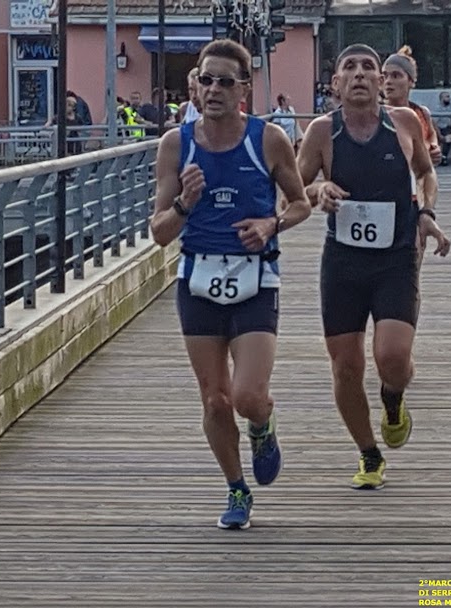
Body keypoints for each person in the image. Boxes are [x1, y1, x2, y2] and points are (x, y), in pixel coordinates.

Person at [151, 39, 312, 529]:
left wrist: (271, 225)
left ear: (244, 89)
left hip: (255, 276)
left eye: (225, 81)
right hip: (198, 277)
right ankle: (236, 488)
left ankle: (263, 424)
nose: (214, 89)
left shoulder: (268, 140)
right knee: (216, 399)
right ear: (194, 86)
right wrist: (185, 203)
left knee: (246, 396)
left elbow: (301, 203)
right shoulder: (176, 144)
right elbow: (158, 232)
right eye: (206, 79)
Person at [296, 43, 451, 491]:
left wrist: (427, 213)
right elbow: (293, 189)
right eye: (351, 67)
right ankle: (368, 453)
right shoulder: (322, 133)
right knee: (346, 366)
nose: (361, 74)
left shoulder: (402, 123)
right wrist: (318, 192)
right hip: (343, 262)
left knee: (393, 359)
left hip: (395, 257)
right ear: (336, 83)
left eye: (370, 67)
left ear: (381, 81)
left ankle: (393, 398)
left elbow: (426, 173)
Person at [381, 46, 442, 165]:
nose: (388, 81)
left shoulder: (422, 113)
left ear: (411, 81)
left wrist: (434, 149)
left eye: (396, 76)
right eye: (385, 76)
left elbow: (431, 135)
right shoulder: (375, 115)